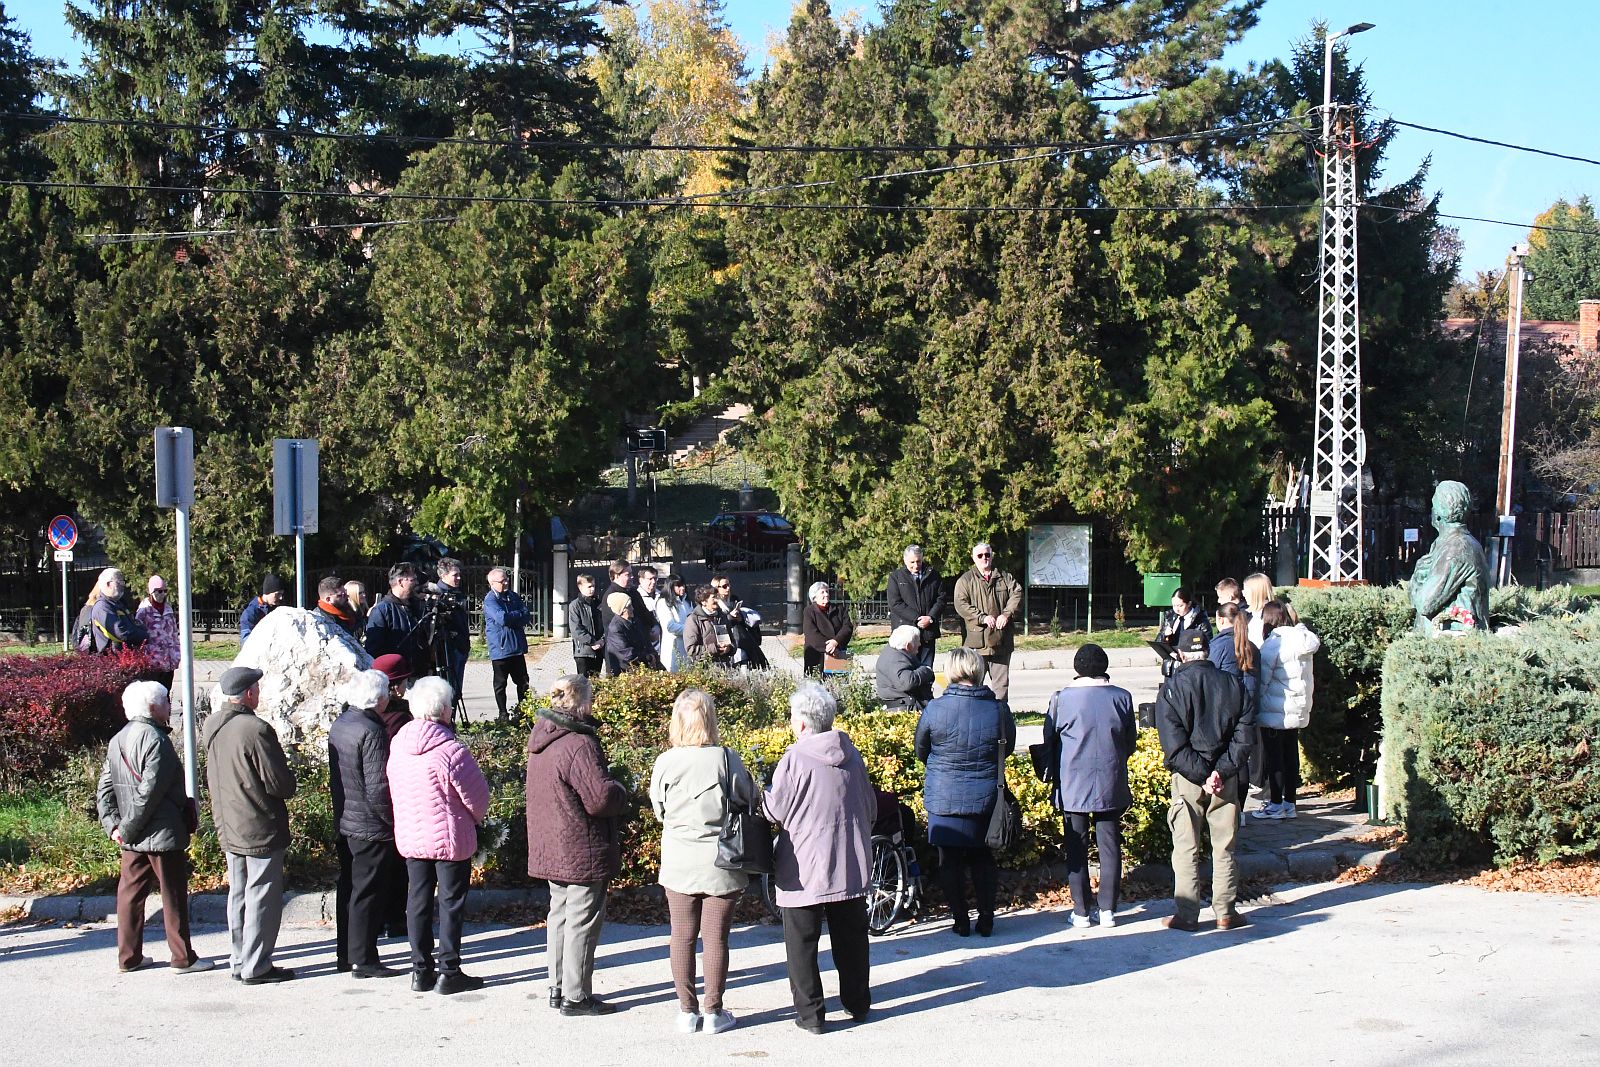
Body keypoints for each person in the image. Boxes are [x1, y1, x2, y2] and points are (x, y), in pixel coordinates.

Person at [764, 683, 876, 1034]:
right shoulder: (852, 754)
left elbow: (774, 810)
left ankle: (811, 1015)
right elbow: (869, 806)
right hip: (850, 862)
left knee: (801, 943)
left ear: (800, 724)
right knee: (852, 938)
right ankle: (857, 1002)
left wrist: (761, 797)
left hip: (804, 866)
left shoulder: (794, 759)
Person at [648, 689, 758, 1035]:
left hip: (679, 858)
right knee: (716, 938)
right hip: (720, 861)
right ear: (710, 720)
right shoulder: (726, 759)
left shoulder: (665, 761)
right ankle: (713, 1011)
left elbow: (659, 810)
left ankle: (686, 1011)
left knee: (680, 936)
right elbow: (749, 798)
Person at [526, 675, 632, 1016]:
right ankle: (576, 996)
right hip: (580, 844)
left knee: (559, 915)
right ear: (582, 703)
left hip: (552, 842)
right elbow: (600, 798)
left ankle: (557, 987)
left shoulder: (542, 738)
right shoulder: (579, 743)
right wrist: (620, 789)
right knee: (582, 920)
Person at [96, 680, 210, 974]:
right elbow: (150, 792)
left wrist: (114, 827)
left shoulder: (118, 739)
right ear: (152, 707)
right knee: (173, 896)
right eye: (167, 702)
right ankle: (183, 957)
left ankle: (129, 957)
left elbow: (105, 789)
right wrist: (127, 830)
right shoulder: (157, 740)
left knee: (130, 896)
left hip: (131, 835)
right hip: (161, 835)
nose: (170, 707)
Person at [388, 676, 491, 995]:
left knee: (416, 901)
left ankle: (420, 970)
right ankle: (449, 971)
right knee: (450, 903)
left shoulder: (398, 743)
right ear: (445, 711)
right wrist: (474, 820)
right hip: (450, 837)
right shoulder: (450, 750)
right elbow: (478, 799)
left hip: (412, 836)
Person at [203, 665, 298, 983]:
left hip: (228, 823)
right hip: (257, 824)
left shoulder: (213, 724)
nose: (260, 693)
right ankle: (257, 966)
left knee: (239, 894)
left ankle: (239, 959)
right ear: (248, 694)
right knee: (262, 896)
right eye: (257, 688)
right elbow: (279, 784)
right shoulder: (255, 729)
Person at [1154, 632, 1255, 932]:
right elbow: (1244, 736)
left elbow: (1173, 744)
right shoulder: (1234, 685)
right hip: (1226, 777)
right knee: (1225, 845)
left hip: (1188, 777)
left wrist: (1201, 774)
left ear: (1181, 655)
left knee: (1186, 845)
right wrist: (1220, 772)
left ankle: (1187, 914)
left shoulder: (1172, 689)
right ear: (1208, 652)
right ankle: (1225, 911)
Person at [915, 646, 1015, 937]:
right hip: (985, 796)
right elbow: (1005, 750)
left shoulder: (934, 708)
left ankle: (960, 919)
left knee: (950, 862)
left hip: (943, 797)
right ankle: (986, 918)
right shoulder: (998, 709)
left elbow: (921, 749)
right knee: (983, 859)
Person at [1042, 644, 1136, 929]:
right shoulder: (1122, 697)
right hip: (1110, 778)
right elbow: (1129, 742)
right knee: (1110, 844)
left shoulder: (1063, 699)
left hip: (1072, 782)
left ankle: (1081, 910)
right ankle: (1108, 908)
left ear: (1077, 668)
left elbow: (1050, 740)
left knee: (1076, 844)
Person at [329, 669, 400, 979]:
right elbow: (377, 786)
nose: (390, 698)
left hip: (346, 820)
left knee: (348, 889)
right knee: (368, 894)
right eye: (387, 693)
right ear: (379, 699)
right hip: (369, 826)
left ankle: (345, 953)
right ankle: (364, 959)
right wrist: (392, 821)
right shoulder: (372, 731)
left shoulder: (342, 723)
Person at [1254, 601, 1321, 821]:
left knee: (1275, 758)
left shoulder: (1274, 643)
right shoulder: (1303, 639)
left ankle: (1275, 803)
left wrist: (1256, 702)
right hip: (1298, 706)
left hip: (1276, 707)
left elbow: (1263, 680)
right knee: (1291, 755)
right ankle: (1290, 802)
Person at [952, 542, 1022, 700]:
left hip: (1000, 640)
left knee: (1001, 683)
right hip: (977, 641)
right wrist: (982, 617)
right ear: (973, 558)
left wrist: (1006, 614)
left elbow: (1017, 593)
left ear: (992, 556)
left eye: (987, 555)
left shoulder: (1004, 577)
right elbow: (961, 604)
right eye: (980, 555)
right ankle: (975, 711)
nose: (984, 558)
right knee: (973, 682)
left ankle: (1001, 714)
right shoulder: (965, 580)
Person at [365, 563, 430, 680]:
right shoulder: (382, 610)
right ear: (400, 582)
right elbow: (373, 650)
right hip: (396, 678)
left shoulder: (417, 606)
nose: (416, 582)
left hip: (418, 674)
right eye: (413, 579)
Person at [886, 545, 945, 670]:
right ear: (905, 560)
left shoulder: (933, 575)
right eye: (912, 562)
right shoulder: (896, 577)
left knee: (926, 671)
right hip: (905, 634)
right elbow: (895, 603)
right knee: (906, 671)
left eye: (918, 561)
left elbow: (941, 599)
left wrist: (930, 617)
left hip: (928, 632)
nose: (916, 565)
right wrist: (917, 618)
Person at [484, 566, 530, 721]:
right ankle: (503, 714)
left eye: (506, 579)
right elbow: (501, 619)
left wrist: (513, 616)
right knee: (500, 684)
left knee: (523, 681)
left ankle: (523, 711)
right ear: (492, 583)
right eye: (502, 580)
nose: (506, 582)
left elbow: (526, 615)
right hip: (501, 649)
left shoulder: (513, 596)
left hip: (517, 647)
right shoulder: (490, 600)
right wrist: (516, 616)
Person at [430, 557, 472, 702]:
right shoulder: (436, 595)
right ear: (443, 575)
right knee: (446, 694)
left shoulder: (457, 593)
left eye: (459, 574)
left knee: (456, 693)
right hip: (446, 651)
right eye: (455, 575)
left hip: (460, 648)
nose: (459, 578)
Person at [712, 574, 767, 668]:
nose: (728, 588)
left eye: (729, 585)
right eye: (724, 586)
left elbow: (741, 619)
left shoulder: (734, 599)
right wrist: (730, 617)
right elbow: (717, 622)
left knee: (746, 658)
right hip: (724, 637)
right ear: (717, 588)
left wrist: (739, 617)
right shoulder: (714, 603)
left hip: (740, 636)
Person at [874, 625, 934, 710]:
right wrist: (926, 670)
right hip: (904, 708)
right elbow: (907, 682)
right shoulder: (895, 659)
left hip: (906, 704)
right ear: (908, 646)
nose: (920, 644)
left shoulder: (897, 652)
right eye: (917, 641)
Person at [135, 575, 179, 689]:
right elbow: (139, 635)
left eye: (165, 591)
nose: (162, 594)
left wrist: (177, 654)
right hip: (153, 662)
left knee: (166, 694)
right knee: (154, 694)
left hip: (169, 661)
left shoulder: (168, 608)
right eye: (159, 591)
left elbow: (174, 632)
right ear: (151, 592)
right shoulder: (143, 611)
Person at [801, 581, 853, 675]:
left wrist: (835, 641)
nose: (826, 594)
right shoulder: (809, 611)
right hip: (817, 656)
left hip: (838, 654)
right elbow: (811, 633)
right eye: (822, 592)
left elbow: (847, 627)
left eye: (827, 592)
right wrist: (830, 648)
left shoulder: (839, 609)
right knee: (817, 686)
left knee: (838, 684)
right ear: (814, 597)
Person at [600, 559, 655, 646]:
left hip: (641, 646)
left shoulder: (632, 591)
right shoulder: (611, 596)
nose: (632, 577)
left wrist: (654, 625)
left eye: (631, 573)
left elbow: (644, 612)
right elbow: (621, 625)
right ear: (616, 576)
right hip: (622, 649)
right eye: (628, 574)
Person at [90, 568, 146, 653]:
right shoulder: (102, 607)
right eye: (119, 582)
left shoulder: (119, 603)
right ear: (108, 584)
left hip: (128, 658)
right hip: (113, 662)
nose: (123, 585)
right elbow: (121, 633)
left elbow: (133, 624)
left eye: (123, 582)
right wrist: (145, 635)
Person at [637, 566, 681, 671]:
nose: (653, 582)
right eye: (650, 579)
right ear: (641, 580)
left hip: (664, 644)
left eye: (655, 579)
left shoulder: (661, 596)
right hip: (647, 645)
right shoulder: (637, 597)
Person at [604, 591, 660, 674]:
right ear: (622, 610)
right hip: (626, 672)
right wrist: (648, 657)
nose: (632, 608)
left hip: (642, 667)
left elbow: (645, 641)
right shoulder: (615, 628)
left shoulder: (635, 621)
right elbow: (628, 655)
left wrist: (653, 656)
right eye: (629, 607)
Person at [683, 584, 736, 667]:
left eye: (717, 597)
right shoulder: (693, 619)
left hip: (725, 667)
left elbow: (733, 642)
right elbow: (691, 649)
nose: (717, 600)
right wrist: (714, 648)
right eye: (713, 597)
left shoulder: (722, 617)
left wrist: (729, 648)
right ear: (703, 601)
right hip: (704, 669)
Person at [568, 574, 605, 679]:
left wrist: (602, 640)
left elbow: (605, 624)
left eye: (593, 586)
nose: (592, 589)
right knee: (583, 683)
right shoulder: (575, 605)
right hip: (583, 652)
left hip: (599, 649)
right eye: (589, 586)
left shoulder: (598, 604)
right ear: (580, 587)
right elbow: (576, 629)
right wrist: (591, 641)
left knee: (595, 682)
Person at [238, 574, 286, 644]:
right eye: (277, 594)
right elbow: (246, 643)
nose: (281, 598)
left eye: (281, 594)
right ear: (267, 592)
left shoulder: (277, 609)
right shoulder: (250, 613)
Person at [659, 575, 692, 672]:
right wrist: (690, 630)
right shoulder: (663, 602)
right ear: (671, 587)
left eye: (683, 585)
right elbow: (670, 626)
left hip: (687, 648)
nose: (682, 588)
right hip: (673, 649)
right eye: (678, 586)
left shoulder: (687, 602)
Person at [1242, 573, 1274, 645]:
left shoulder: (1261, 619)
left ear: (1256, 592)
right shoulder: (1254, 615)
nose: (1243, 594)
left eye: (1246, 590)